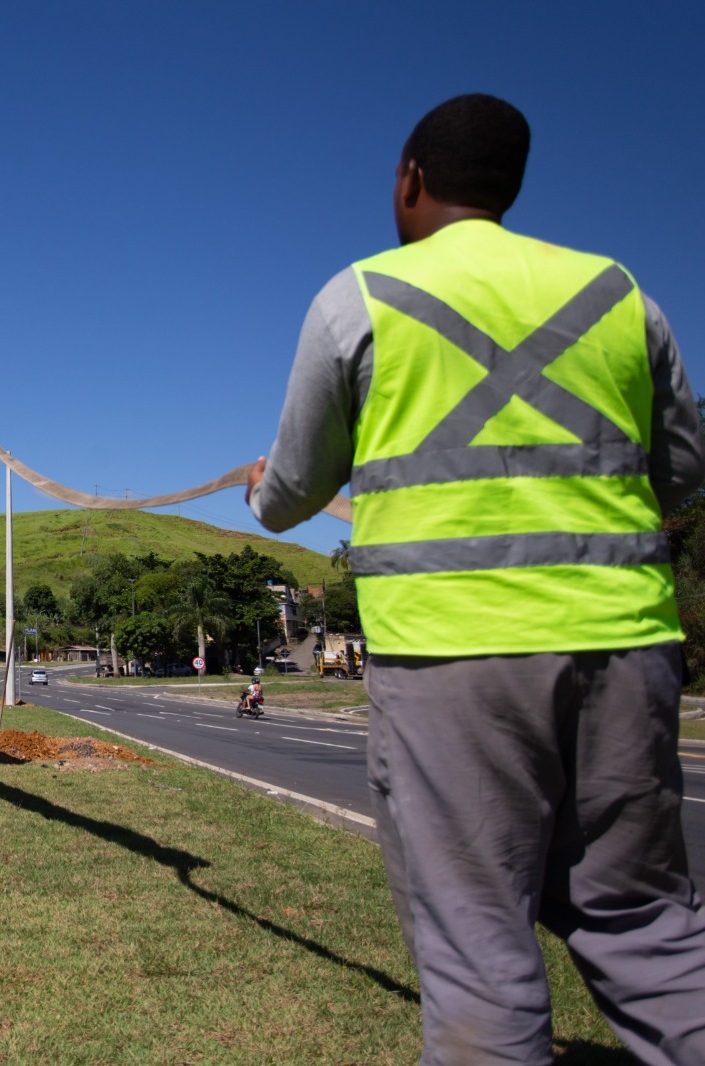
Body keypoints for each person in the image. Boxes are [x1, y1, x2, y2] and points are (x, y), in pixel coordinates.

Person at [246, 93, 705, 1063]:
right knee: (647, 923)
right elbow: (681, 470)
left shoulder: (360, 297)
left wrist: (260, 491)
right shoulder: (620, 294)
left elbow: (291, 494)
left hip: (451, 655)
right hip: (627, 645)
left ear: (410, 179)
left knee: (478, 945)